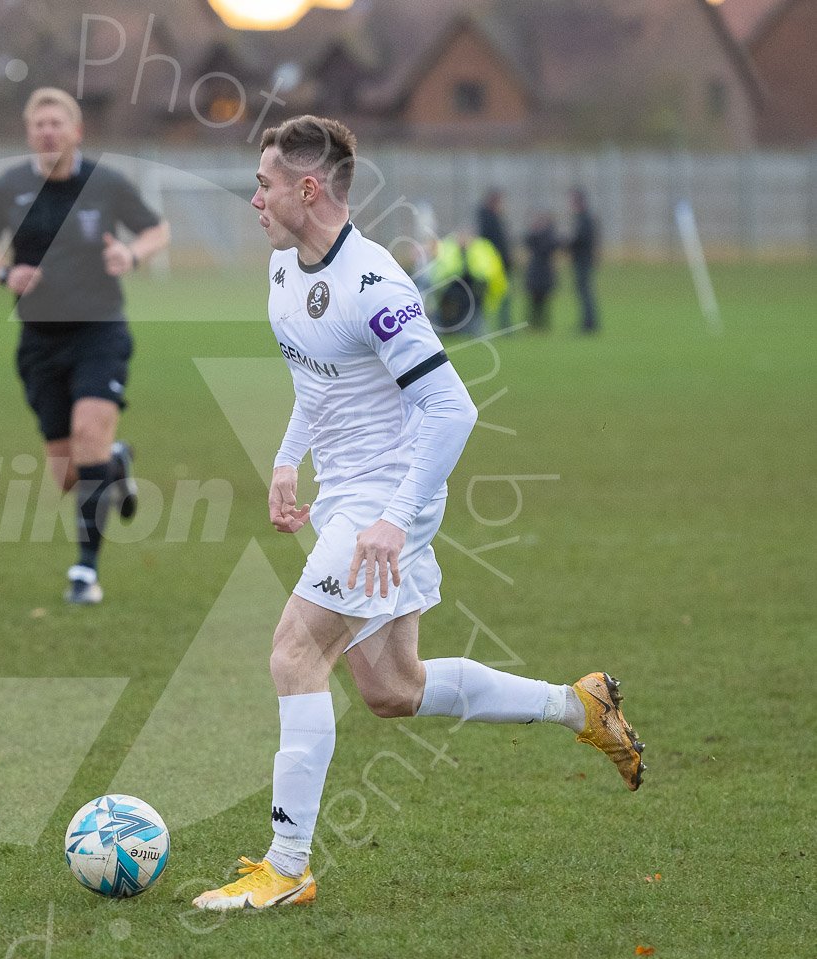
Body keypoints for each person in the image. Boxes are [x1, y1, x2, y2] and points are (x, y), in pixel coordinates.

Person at [191, 116, 645, 913]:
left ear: (307, 188)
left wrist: (394, 518)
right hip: (350, 495)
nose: (253, 196)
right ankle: (581, 705)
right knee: (392, 689)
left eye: (264, 183)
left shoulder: (375, 284)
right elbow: (317, 382)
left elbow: (451, 409)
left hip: (386, 498)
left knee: (295, 652)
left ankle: (287, 865)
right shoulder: (284, 270)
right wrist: (287, 459)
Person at [0, 87, 169, 605]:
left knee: (88, 434)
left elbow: (156, 229)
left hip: (100, 331)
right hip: (38, 341)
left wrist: (131, 252)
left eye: (57, 123)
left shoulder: (106, 184)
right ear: (29, 133)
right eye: (39, 125)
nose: (48, 132)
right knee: (68, 474)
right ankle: (115, 465)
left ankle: (85, 572)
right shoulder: (9, 187)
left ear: (77, 131)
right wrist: (5, 273)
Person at [427, 228, 507, 337]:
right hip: (452, 288)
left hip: (473, 288)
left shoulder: (480, 247)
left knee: (474, 311)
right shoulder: (449, 247)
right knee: (447, 311)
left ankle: (472, 332)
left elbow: (487, 270)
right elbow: (440, 271)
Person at [475, 188, 514, 331]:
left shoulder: (489, 218)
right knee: (499, 296)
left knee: (499, 297)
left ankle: (498, 325)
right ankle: (501, 325)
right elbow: (495, 245)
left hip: (495, 264)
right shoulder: (490, 219)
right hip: (494, 265)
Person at [568, 187, 600, 334]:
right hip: (583, 260)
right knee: (584, 292)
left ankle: (589, 324)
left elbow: (581, 240)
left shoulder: (584, 219)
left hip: (583, 261)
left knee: (585, 292)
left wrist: (566, 243)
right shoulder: (584, 218)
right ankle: (588, 322)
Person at [523, 211, 559, 331]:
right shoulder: (533, 236)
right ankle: (532, 324)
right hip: (535, 271)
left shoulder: (549, 236)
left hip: (545, 272)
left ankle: (543, 324)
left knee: (544, 301)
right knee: (533, 301)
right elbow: (527, 240)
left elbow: (550, 246)